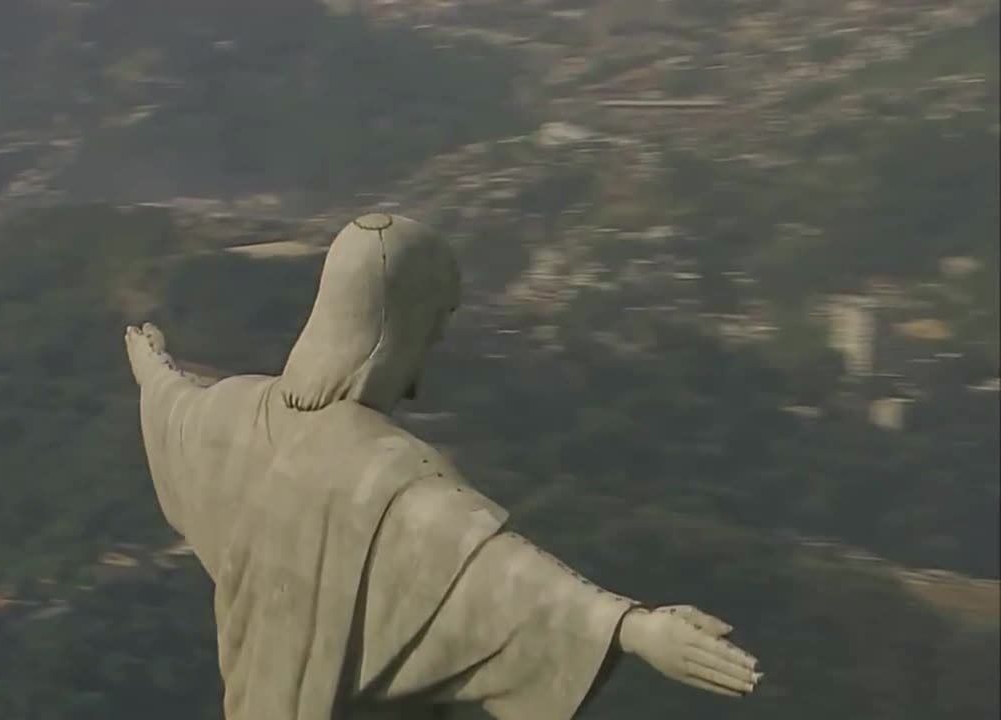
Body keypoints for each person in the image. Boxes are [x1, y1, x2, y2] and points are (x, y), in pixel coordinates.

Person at [126, 213, 761, 719]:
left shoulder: (236, 413)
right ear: (398, 333)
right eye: (432, 328)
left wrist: (151, 367)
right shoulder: (389, 482)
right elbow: (502, 577)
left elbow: (176, 410)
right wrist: (633, 628)